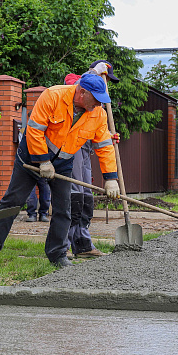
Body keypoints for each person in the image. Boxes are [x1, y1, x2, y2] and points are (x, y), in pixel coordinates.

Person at [0, 74, 120, 267]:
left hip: (63, 164)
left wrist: (111, 178)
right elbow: (34, 130)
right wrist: (43, 161)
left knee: (64, 210)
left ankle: (58, 255)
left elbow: (104, 146)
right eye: (96, 99)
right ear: (82, 92)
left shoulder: (98, 114)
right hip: (31, 158)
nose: (99, 104)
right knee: (11, 203)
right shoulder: (53, 96)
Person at [65, 60, 120, 257]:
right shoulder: (75, 82)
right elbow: (71, 87)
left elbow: (100, 138)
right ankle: (66, 246)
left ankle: (83, 244)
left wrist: (111, 177)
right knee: (75, 195)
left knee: (86, 197)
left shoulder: (98, 108)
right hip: (71, 146)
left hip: (85, 149)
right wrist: (90, 73)